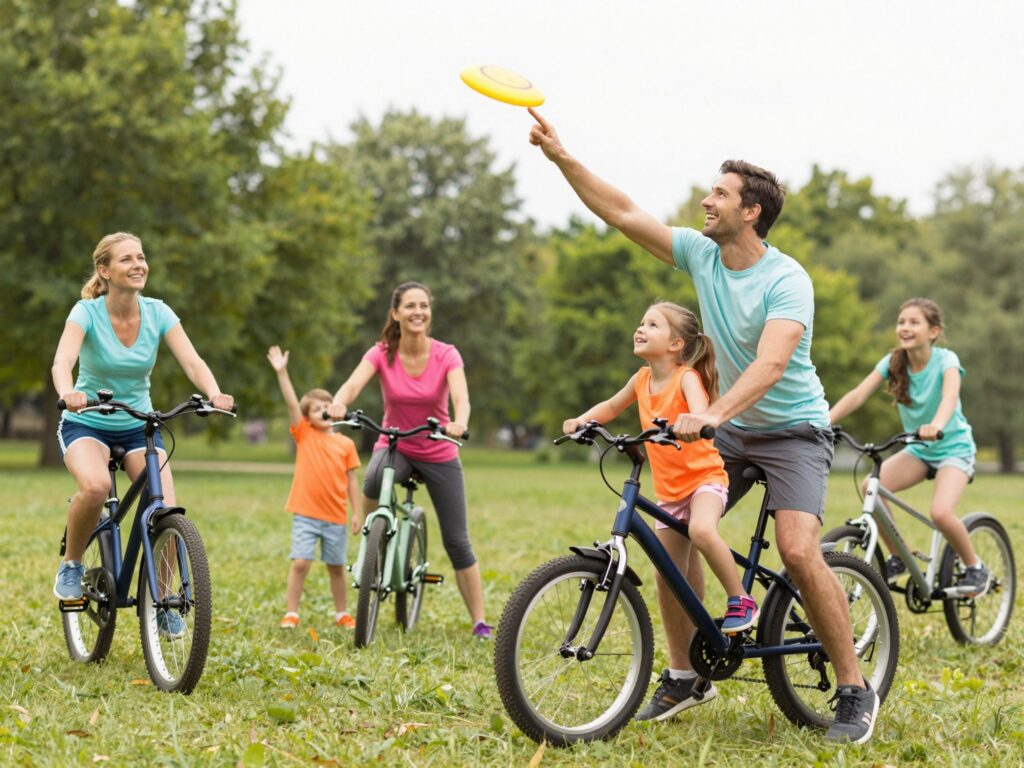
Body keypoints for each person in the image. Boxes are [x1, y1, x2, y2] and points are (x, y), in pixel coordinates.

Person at [527, 110, 877, 743]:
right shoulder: (699, 254)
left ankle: (853, 687)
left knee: (798, 550)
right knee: (671, 536)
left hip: (791, 429)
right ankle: (686, 673)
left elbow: (772, 364)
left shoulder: (786, 279)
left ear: (751, 213)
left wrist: (711, 413)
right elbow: (623, 212)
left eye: (719, 194)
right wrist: (562, 158)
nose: (705, 200)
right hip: (722, 430)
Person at [563, 302, 763, 720]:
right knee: (667, 577)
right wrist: (583, 420)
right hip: (671, 492)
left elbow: (699, 407)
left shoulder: (686, 376)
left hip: (705, 481)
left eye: (652, 324)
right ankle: (691, 670)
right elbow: (611, 406)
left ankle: (741, 600)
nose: (640, 328)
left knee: (705, 532)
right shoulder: (640, 379)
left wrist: (697, 420)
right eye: (640, 322)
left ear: (675, 344)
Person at [51, 232, 234, 639]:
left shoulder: (158, 312)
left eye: (142, 257)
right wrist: (69, 393)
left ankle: (165, 600)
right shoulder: (87, 312)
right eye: (127, 259)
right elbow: (63, 359)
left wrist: (214, 391)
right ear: (105, 270)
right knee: (96, 486)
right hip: (88, 421)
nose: (138, 264)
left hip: (139, 424)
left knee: (165, 507)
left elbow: (191, 359)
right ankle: (73, 562)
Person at [326, 282, 493, 639]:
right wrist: (339, 402)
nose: (418, 311)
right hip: (395, 444)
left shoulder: (447, 354)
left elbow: (461, 397)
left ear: (429, 312)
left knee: (457, 540)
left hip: (438, 447)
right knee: (372, 481)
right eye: (410, 306)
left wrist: (459, 422)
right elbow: (353, 385)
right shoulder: (382, 352)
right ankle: (374, 544)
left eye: (424, 305)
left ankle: (479, 621)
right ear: (396, 313)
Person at [828, 298, 988, 595]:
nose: (905, 327)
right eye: (901, 322)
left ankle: (975, 566)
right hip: (919, 449)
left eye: (914, 322)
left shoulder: (946, 360)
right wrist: (824, 421)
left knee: (940, 512)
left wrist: (937, 425)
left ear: (933, 331)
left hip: (952, 447)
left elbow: (949, 398)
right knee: (870, 488)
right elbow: (858, 394)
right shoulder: (893, 362)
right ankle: (898, 557)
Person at [268, 346, 362, 630]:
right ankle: (292, 613)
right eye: (316, 408)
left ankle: (341, 613)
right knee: (300, 564)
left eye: (326, 406)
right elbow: (292, 405)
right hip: (306, 514)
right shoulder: (305, 434)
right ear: (307, 418)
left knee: (336, 567)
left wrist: (357, 512)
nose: (322, 410)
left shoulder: (346, 444)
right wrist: (282, 372)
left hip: (335, 516)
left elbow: (352, 480)